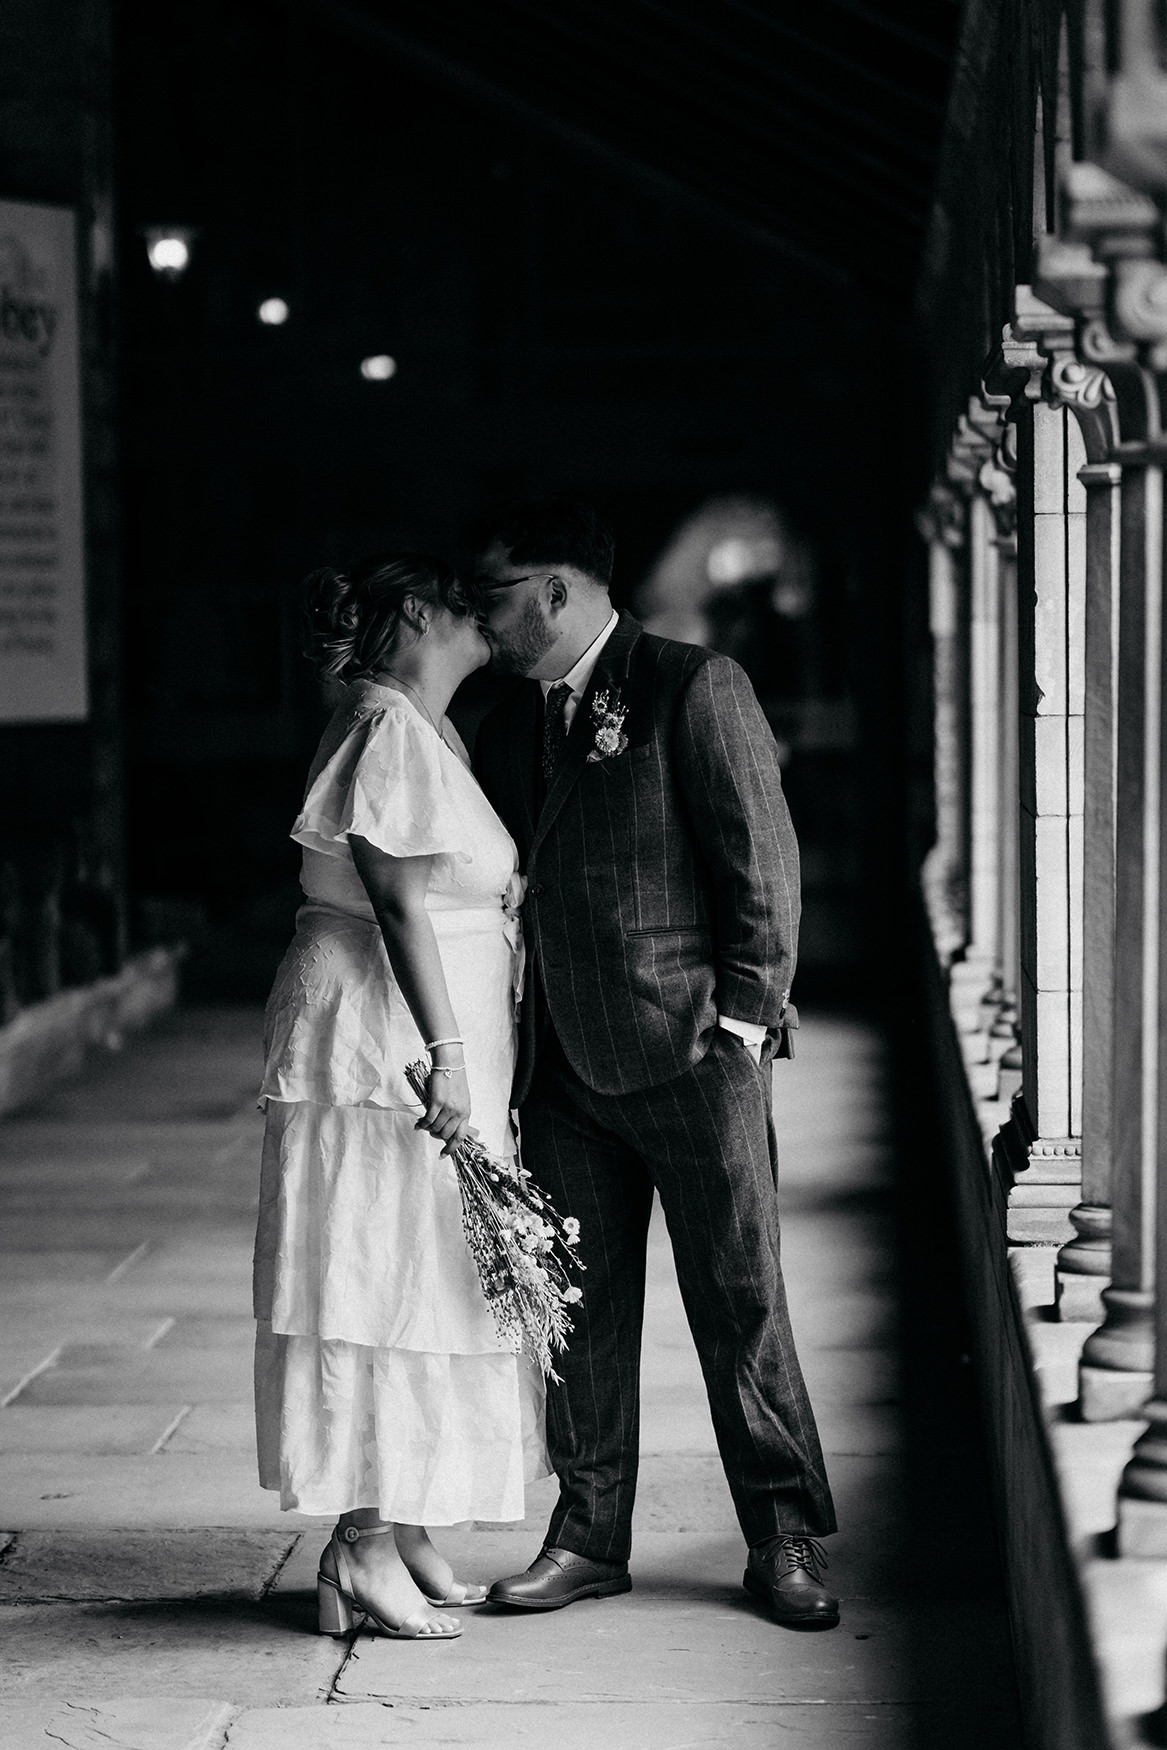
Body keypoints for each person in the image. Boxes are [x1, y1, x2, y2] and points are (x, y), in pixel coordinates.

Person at [472, 500, 838, 1628]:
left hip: (692, 1060)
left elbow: (762, 863)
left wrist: (740, 1024)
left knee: (740, 1300)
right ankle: (587, 1534)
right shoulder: (507, 716)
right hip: (563, 1071)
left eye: (496, 600)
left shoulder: (693, 684)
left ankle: (783, 1538)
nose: (484, 625)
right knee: (578, 1311)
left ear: (555, 589)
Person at [252, 551, 548, 1643]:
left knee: (431, 1274)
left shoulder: (419, 725)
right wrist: (452, 1054)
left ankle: (408, 1516)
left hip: (416, 1034)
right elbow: (400, 906)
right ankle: (361, 1544)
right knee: (382, 1273)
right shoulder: (383, 725)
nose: (487, 616)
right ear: (417, 612)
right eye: (465, 601)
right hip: (383, 1049)